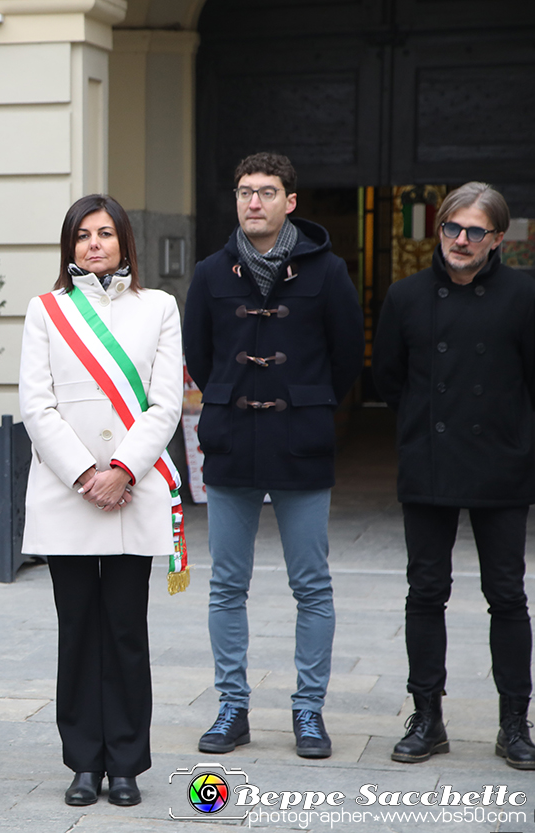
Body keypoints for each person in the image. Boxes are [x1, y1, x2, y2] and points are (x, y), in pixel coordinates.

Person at [183, 152, 363, 759]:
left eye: (265, 191)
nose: (252, 201)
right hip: (232, 437)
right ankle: (232, 707)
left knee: (311, 585)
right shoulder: (211, 273)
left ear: (291, 201)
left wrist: (307, 402)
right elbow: (200, 357)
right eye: (243, 191)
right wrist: (234, 398)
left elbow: (346, 357)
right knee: (226, 585)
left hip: (301, 441)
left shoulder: (329, 271)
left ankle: (308, 712)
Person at [20, 194, 184, 808]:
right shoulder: (46, 311)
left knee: (125, 630)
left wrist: (122, 470)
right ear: (70, 246)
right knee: (77, 629)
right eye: (83, 235)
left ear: (124, 244)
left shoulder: (159, 308)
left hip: (132, 488)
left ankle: (126, 764)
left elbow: (166, 403)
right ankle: (83, 763)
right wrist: (88, 473)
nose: (94, 244)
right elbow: (37, 404)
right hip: (71, 493)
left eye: (106, 234)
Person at [373, 182, 535, 771]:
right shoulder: (407, 296)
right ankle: (428, 718)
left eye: (474, 231)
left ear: (497, 238)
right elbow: (388, 380)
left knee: (508, 595)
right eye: (451, 228)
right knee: (426, 592)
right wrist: (423, 428)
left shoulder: (522, 295)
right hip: (431, 464)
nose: (460, 241)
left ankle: (515, 722)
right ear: (437, 229)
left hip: (501, 465)